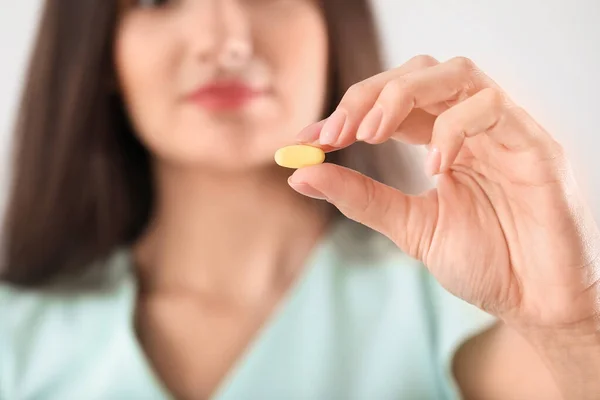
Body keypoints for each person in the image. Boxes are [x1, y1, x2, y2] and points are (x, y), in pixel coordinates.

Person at [1, 0, 599, 399]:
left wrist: (572, 325)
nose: (226, 42)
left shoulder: (453, 305)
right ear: (99, 52)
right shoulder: (15, 332)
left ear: (334, 26)